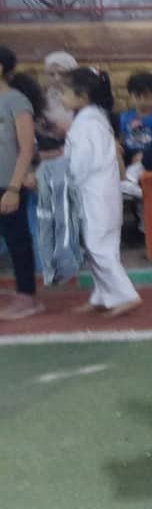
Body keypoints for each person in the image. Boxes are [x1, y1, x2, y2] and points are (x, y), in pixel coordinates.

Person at [62, 68, 141, 317]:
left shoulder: (88, 124)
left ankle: (126, 295)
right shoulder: (92, 119)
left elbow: (82, 163)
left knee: (98, 245)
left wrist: (64, 179)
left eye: (65, 91)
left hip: (95, 193)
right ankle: (103, 295)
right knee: (100, 244)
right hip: (99, 191)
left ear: (83, 95)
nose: (61, 96)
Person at [0, 47, 44, 321]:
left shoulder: (16, 101)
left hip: (8, 184)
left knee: (17, 240)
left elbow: (26, 149)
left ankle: (27, 297)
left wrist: (14, 189)